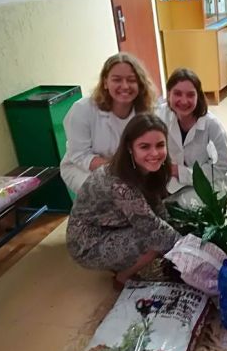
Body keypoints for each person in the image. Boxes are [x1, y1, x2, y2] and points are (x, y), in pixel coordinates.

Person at [66, 113, 180, 287]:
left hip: (112, 226)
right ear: (130, 148)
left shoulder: (146, 168)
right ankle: (122, 277)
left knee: (164, 228)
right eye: (144, 147)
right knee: (155, 238)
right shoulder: (119, 182)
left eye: (160, 145)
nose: (154, 153)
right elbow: (152, 228)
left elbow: (159, 208)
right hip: (87, 244)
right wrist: (192, 249)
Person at [60, 52, 157, 194]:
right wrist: (123, 169)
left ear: (140, 83)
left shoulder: (147, 111)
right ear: (105, 82)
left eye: (131, 80)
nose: (125, 86)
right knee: (113, 195)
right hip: (82, 169)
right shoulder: (82, 109)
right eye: (117, 80)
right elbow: (80, 156)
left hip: (128, 169)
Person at [157, 67, 227, 205]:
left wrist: (180, 172)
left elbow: (219, 168)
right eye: (177, 93)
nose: (184, 101)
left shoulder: (213, 126)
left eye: (190, 95)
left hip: (205, 182)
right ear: (168, 94)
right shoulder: (159, 115)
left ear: (198, 96)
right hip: (168, 180)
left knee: (189, 208)